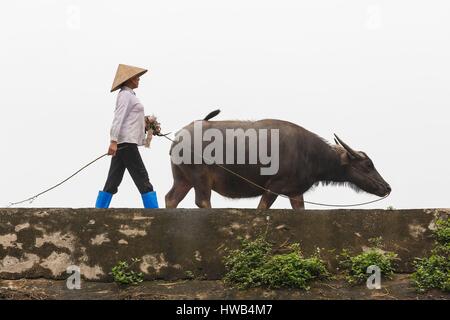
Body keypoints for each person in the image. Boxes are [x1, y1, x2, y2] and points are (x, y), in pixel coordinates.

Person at [95, 64, 158, 209]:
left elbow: (131, 120)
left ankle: (98, 212)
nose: (139, 79)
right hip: (126, 144)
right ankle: (155, 214)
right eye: (136, 77)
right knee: (143, 178)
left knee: (112, 182)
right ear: (129, 79)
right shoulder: (125, 95)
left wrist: (146, 124)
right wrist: (113, 141)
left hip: (124, 144)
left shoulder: (130, 95)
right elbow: (119, 118)